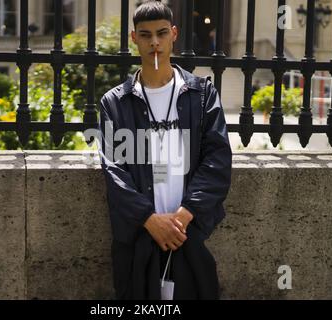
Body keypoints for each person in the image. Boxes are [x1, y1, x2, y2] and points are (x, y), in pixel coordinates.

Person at [98, 0, 232, 300]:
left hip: (188, 233)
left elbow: (218, 159)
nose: (154, 42)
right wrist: (149, 219)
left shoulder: (202, 94)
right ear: (134, 39)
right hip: (138, 238)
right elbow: (114, 169)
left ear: (174, 34)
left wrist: (184, 216)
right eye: (145, 35)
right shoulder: (114, 103)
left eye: (161, 33)